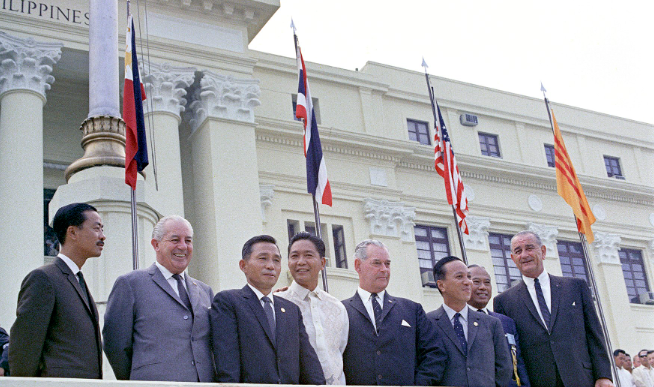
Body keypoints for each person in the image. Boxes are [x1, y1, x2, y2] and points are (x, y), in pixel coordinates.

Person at [493, 231, 613, 387]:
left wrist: (603, 376)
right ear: (513, 259)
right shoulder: (503, 301)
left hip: (581, 378)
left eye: (529, 248)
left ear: (542, 251)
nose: (524, 255)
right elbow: (510, 352)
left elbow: (594, 334)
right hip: (538, 381)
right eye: (518, 251)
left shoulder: (576, 287)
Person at [103, 215, 214, 382]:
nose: (183, 246)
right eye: (175, 240)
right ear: (156, 244)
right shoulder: (131, 284)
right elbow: (115, 344)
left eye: (188, 240)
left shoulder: (205, 291)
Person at [210, 235, 325, 384]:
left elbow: (309, 365)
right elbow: (227, 364)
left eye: (276, 260)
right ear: (243, 265)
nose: (271, 266)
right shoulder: (229, 302)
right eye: (263, 258)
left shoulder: (291, 310)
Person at [9, 203, 104, 378]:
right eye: (96, 228)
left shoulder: (78, 280)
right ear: (72, 232)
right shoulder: (44, 278)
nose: (102, 236)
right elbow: (25, 346)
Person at [342, 239, 446, 385]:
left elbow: (435, 353)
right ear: (358, 266)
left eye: (388, 264)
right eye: (377, 263)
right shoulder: (340, 311)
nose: (384, 269)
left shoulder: (412, 310)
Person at [427, 256, 512, 387]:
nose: (468, 282)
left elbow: (504, 369)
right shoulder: (428, 323)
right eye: (459, 277)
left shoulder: (491, 324)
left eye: (468, 277)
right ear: (441, 285)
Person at [277, 232, 349, 384]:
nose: (300, 262)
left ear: (322, 263)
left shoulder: (337, 307)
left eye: (308, 255)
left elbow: (339, 351)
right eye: (294, 256)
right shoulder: (278, 304)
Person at [468, 264, 530, 386]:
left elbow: (518, 364)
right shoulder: (457, 322)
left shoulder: (506, 322)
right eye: (476, 282)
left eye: (487, 283)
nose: (483, 287)